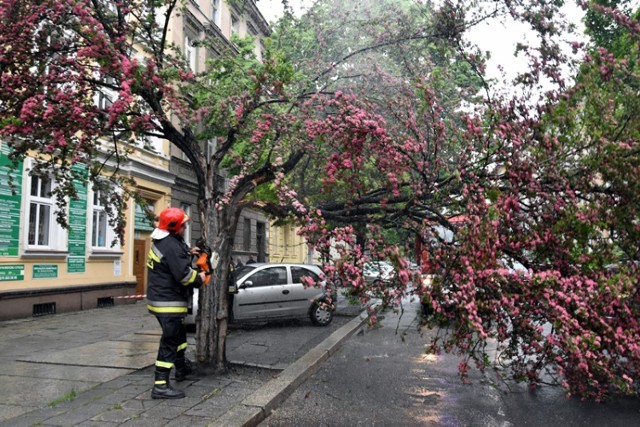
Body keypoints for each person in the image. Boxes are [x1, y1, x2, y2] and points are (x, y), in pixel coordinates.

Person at [146, 207, 206, 399]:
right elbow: (184, 276)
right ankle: (160, 385)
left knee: (179, 338)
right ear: (175, 227)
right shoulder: (170, 245)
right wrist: (201, 277)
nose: (185, 227)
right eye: (183, 225)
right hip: (168, 302)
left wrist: (189, 253)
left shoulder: (167, 241)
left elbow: (171, 260)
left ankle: (181, 368)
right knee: (170, 341)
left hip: (162, 298)